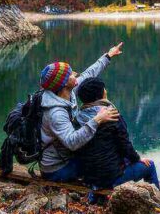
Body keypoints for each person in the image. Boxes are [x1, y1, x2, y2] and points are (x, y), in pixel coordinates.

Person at [38, 43, 123, 182]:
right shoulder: (55, 113)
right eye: (70, 74)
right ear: (64, 83)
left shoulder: (67, 91)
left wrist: (108, 55)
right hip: (57, 168)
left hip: (66, 156)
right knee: (104, 161)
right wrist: (97, 119)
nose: (75, 74)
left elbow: (89, 73)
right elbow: (72, 142)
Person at [73, 77, 159, 191]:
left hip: (88, 176)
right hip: (110, 178)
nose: (106, 91)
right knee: (150, 166)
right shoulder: (111, 116)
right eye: (104, 89)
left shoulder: (78, 118)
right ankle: (157, 199)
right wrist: (137, 158)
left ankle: (96, 196)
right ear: (101, 94)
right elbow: (125, 145)